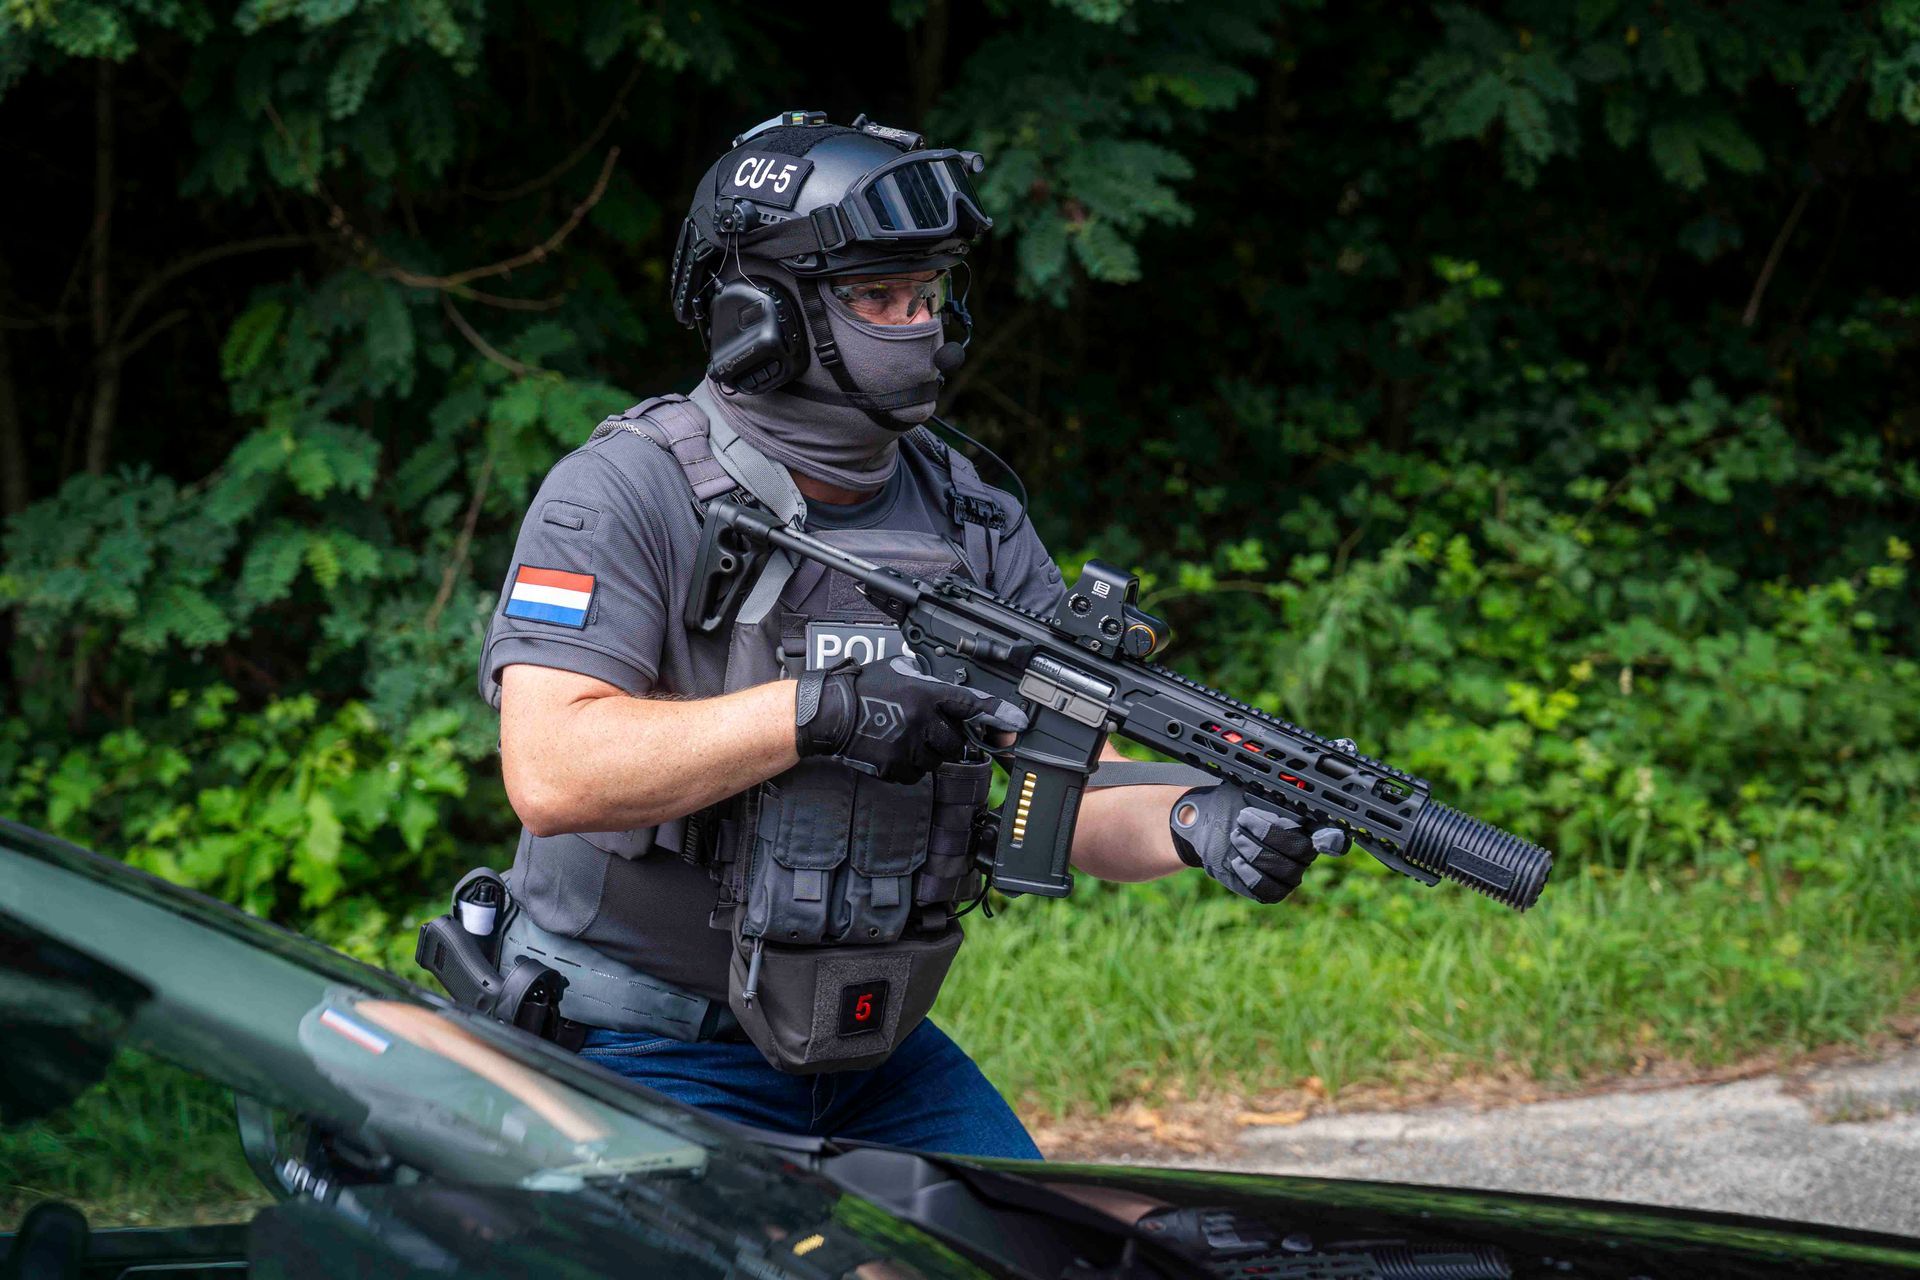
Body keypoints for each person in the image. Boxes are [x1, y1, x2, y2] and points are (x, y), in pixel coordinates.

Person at [475, 111, 1347, 1160]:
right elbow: (553, 769)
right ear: (765, 314)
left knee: (1037, 1247)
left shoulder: (968, 512)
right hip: (633, 1043)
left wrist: (1201, 819)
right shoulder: (626, 489)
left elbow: (1072, 782)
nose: (921, 324)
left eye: (929, 294)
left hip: (871, 1053)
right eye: (878, 297)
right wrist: (821, 709)